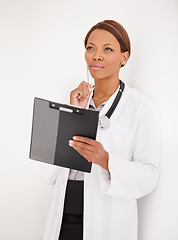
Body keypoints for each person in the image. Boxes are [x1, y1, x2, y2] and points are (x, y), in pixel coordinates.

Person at [38, 20, 161, 240]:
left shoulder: (142, 108)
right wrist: (73, 113)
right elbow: (50, 174)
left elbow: (149, 177)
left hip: (106, 222)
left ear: (124, 57)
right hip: (62, 215)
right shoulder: (77, 101)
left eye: (108, 49)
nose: (96, 56)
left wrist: (105, 159)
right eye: (90, 48)